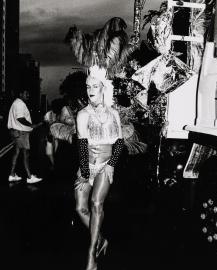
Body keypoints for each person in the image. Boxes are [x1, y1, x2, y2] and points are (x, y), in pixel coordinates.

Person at [74, 65, 124, 270]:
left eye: (95, 86)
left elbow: (119, 142)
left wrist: (111, 165)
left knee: (96, 205)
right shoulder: (83, 114)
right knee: (80, 208)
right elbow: (82, 146)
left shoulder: (114, 113)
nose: (90, 90)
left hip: (105, 166)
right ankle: (101, 239)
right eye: (88, 86)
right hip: (86, 167)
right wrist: (85, 174)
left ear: (103, 88)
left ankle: (91, 257)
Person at [7, 89, 43, 184]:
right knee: (25, 155)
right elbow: (20, 118)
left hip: (17, 132)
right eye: (26, 93)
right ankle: (29, 177)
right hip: (21, 132)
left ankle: (12, 175)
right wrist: (31, 125)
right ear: (21, 93)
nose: (28, 95)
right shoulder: (19, 104)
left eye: (28, 93)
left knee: (16, 153)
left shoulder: (17, 102)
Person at [44, 99, 64, 167]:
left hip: (58, 137)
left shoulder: (61, 114)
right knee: (49, 152)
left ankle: (55, 165)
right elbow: (46, 125)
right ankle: (54, 164)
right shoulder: (48, 114)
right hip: (50, 135)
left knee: (56, 152)